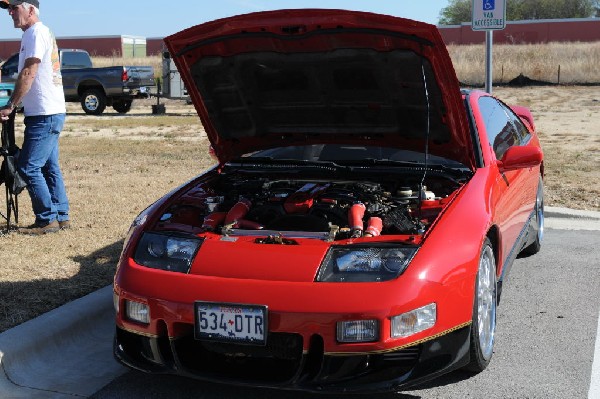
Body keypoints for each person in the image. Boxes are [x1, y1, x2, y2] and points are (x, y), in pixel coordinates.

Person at [0, 0, 70, 234]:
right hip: (49, 111)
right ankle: (61, 216)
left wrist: (10, 105)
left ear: (30, 9)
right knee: (49, 167)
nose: (10, 13)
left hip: (44, 114)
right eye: (7, 9)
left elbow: (29, 73)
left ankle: (46, 220)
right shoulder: (39, 32)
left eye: (14, 7)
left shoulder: (35, 33)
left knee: (29, 167)